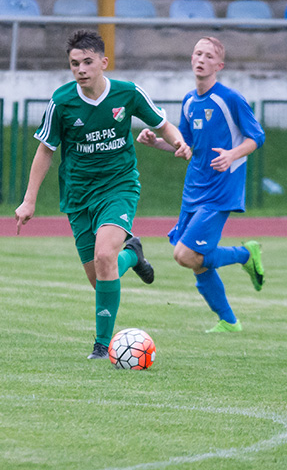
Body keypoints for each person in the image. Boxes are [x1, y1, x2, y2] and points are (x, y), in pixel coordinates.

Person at [15, 29, 192, 359]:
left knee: (104, 257)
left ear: (103, 62)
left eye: (87, 62)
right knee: (101, 279)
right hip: (78, 196)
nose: (80, 69)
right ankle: (133, 254)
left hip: (118, 188)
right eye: (74, 64)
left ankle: (102, 345)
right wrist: (29, 199)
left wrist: (180, 142)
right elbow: (45, 150)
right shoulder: (62, 102)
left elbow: (163, 125)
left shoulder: (128, 94)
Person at [137, 36, 266, 333]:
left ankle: (245, 254)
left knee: (183, 254)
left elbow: (256, 136)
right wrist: (157, 142)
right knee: (197, 261)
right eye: (197, 53)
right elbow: (186, 145)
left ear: (219, 65)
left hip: (221, 189)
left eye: (208, 56)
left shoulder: (229, 98)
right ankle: (229, 322)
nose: (201, 59)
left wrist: (233, 154)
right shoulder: (189, 101)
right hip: (194, 189)